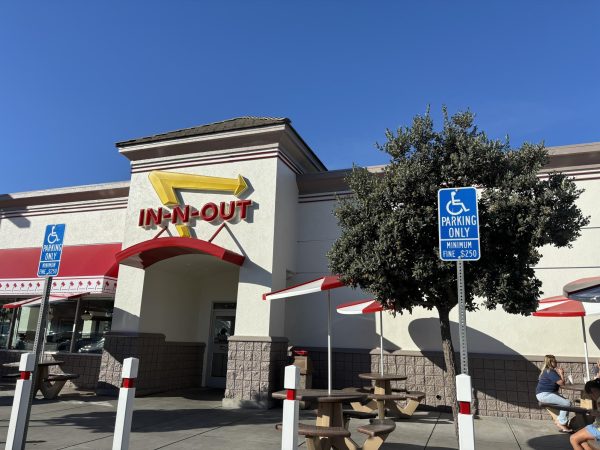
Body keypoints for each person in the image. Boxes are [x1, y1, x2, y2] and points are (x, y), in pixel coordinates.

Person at [536, 354, 572, 433]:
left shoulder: (547, 371)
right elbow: (562, 383)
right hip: (545, 395)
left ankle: (560, 421)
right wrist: (562, 373)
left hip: (545, 394)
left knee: (566, 402)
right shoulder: (550, 372)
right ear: (550, 362)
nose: (556, 362)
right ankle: (561, 422)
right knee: (567, 403)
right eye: (554, 361)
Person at [570, 378, 600, 449]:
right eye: (591, 393)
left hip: (598, 428)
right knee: (582, 441)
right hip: (596, 425)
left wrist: (596, 413)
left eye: (594, 391)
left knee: (573, 438)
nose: (593, 395)